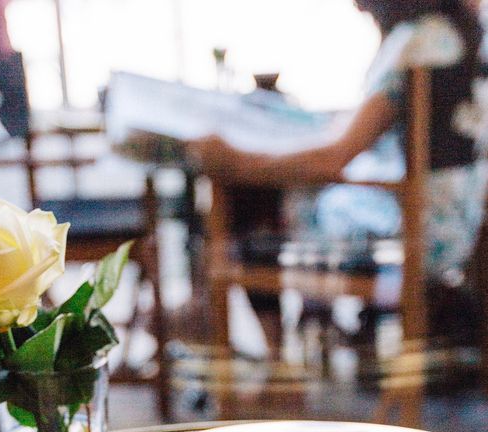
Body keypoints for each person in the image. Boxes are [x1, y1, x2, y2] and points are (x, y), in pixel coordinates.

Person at [191, 0, 488, 347]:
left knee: (252, 205)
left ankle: (276, 358)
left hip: (414, 235)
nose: (358, 7)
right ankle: (302, 342)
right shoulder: (460, 33)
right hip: (456, 225)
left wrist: (235, 160)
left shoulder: (415, 42)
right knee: (283, 195)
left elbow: (334, 158)